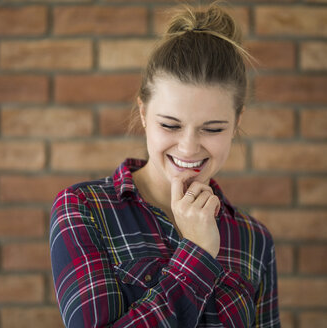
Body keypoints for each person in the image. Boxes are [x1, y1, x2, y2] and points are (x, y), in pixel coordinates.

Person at [49, 3, 280, 327]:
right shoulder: (84, 209)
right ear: (143, 113)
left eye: (212, 129)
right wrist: (197, 253)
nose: (188, 147)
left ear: (237, 121)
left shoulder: (254, 238)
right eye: (170, 125)